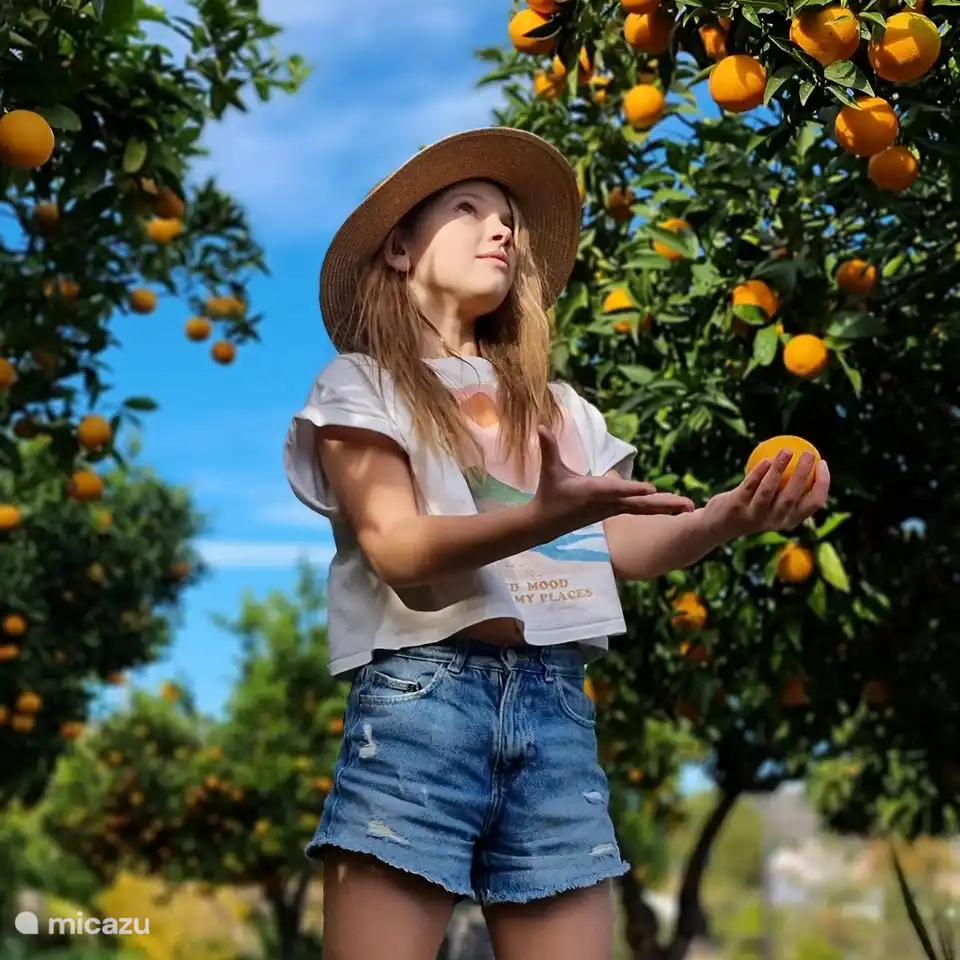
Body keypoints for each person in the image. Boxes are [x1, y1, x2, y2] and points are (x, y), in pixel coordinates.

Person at [283, 126, 830, 960]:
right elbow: (397, 552)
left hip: (557, 709)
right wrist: (544, 515)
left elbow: (624, 547)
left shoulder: (561, 408)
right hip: (421, 706)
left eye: (507, 219)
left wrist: (732, 516)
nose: (500, 230)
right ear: (399, 248)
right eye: (467, 211)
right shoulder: (362, 386)